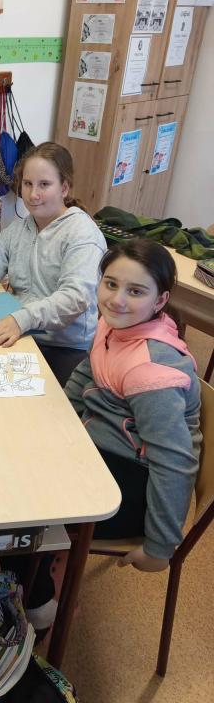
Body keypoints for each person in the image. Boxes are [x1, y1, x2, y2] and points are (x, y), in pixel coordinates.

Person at [65, 239, 202, 571]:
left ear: (160, 300)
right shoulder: (113, 325)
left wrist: (159, 548)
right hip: (101, 443)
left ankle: (38, 589)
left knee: (26, 503)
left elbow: (173, 463)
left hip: (134, 485)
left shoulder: (151, 372)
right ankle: (34, 569)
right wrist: (62, 416)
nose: (117, 300)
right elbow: (90, 368)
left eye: (136, 291)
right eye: (111, 284)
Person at [0, 142, 106, 386]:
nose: (33, 194)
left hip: (64, 347)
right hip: (21, 331)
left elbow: (75, 298)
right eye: (27, 184)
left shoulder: (82, 233)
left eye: (44, 185)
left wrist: (21, 320)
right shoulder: (20, 228)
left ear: (64, 188)